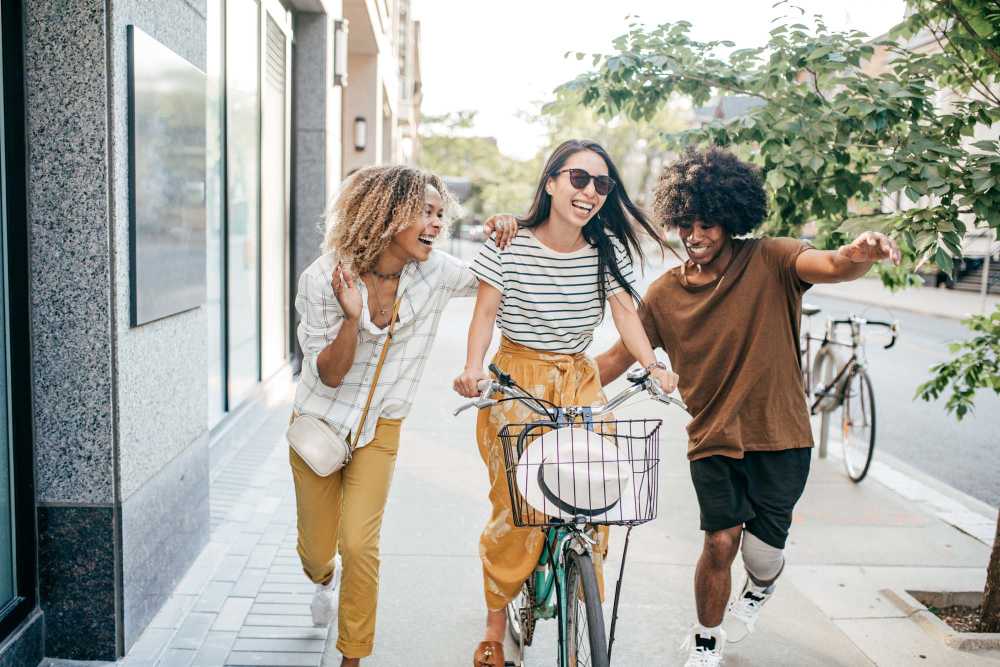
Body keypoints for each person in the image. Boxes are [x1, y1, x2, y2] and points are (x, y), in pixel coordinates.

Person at [594, 148, 901, 667]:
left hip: (781, 435)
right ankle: (705, 640)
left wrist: (859, 253)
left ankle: (760, 586)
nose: (695, 235)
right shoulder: (664, 295)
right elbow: (618, 357)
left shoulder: (772, 259)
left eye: (708, 223)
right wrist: (558, 386)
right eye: (686, 223)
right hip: (712, 436)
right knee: (720, 542)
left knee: (760, 555)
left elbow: (831, 264)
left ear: (731, 219)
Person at [453, 139, 680, 667]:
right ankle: (494, 626)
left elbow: (625, 315)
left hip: (578, 380)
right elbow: (484, 315)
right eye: (579, 178)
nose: (590, 191)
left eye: (602, 183)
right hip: (516, 380)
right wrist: (472, 368)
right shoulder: (509, 243)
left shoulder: (606, 249)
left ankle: (581, 596)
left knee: (594, 494)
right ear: (552, 181)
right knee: (518, 508)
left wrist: (653, 366)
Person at [291, 165, 517, 666]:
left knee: (360, 545)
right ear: (387, 213)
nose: (437, 224)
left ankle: (352, 657)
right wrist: (352, 318)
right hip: (319, 425)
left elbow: (492, 275)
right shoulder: (324, 278)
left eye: (440, 215)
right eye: (426, 213)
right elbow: (329, 375)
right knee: (317, 551)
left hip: (381, 428)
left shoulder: (434, 272)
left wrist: (511, 225)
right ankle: (322, 579)